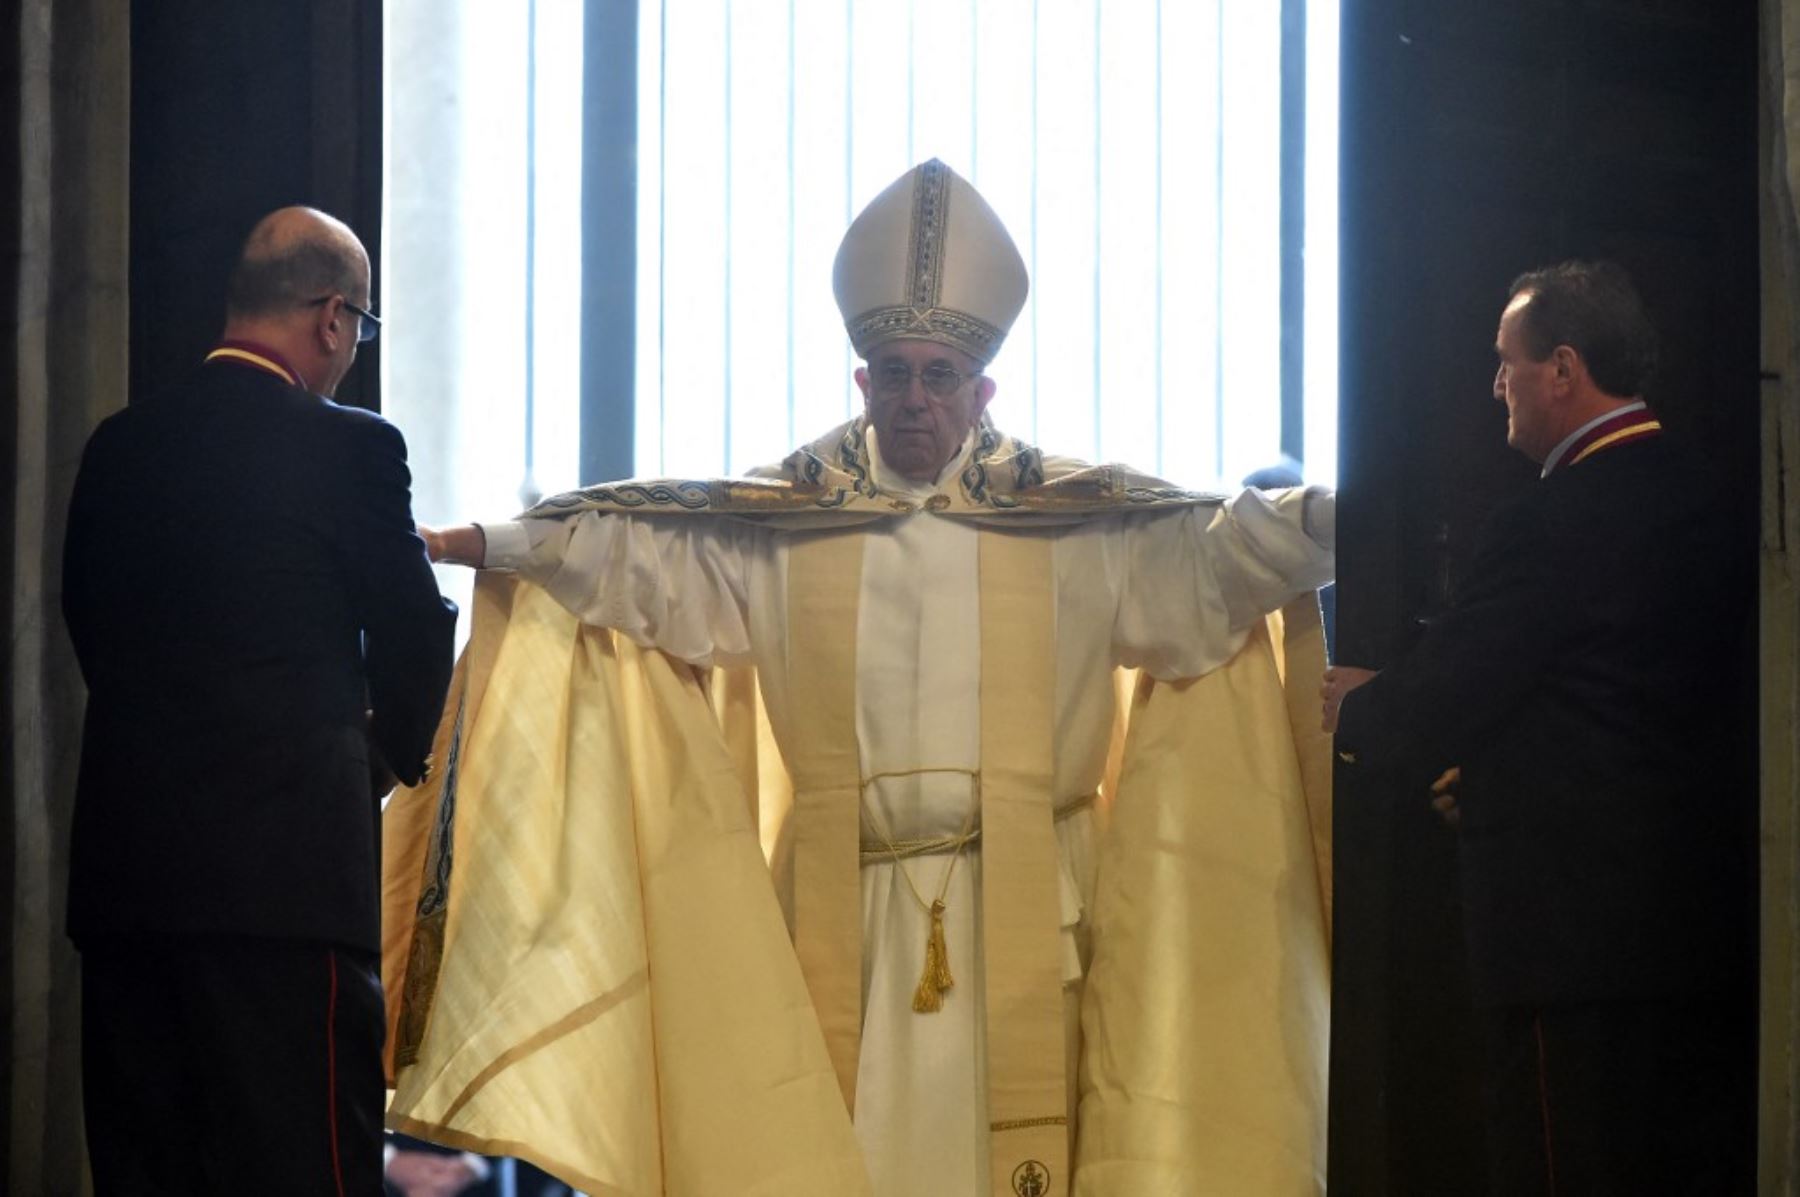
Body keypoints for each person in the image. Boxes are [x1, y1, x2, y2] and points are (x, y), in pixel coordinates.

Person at [391, 160, 1335, 1196]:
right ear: (862, 381)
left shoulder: (1075, 529)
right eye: (894, 373)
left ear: (983, 391)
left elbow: (1217, 557)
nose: (914, 401)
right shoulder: (791, 525)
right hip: (841, 913)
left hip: (1029, 918)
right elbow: (639, 559)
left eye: (938, 377)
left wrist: (1339, 522)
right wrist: (493, 542)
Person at [1322, 260, 1757, 1195]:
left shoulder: (1555, 518)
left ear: (1562, 368)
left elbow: (1455, 687)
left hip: (1570, 941)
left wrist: (1358, 708)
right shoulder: (1711, 496)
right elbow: (1601, 694)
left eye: (1506, 363)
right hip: (1700, 926)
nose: (1495, 387)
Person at [62, 206, 458, 1194]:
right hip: (286, 898)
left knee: (146, 1172)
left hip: (128, 892)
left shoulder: (118, 446)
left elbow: (90, 627)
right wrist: (372, 764)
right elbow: (413, 632)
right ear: (332, 318)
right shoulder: (351, 450)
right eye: (359, 332)